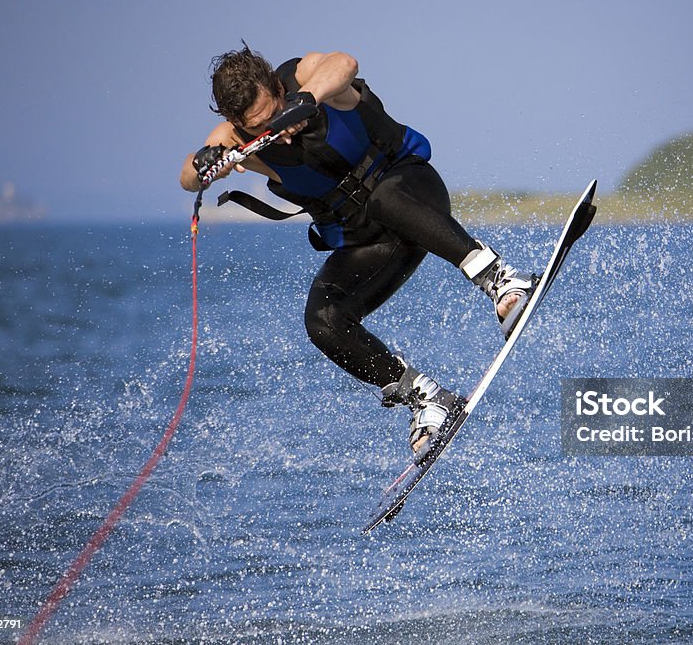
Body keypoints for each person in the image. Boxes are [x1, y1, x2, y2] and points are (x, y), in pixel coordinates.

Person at [180, 46, 535, 460]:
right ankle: (427, 400)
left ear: (278, 87)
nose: (279, 130)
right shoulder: (236, 139)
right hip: (373, 243)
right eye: (260, 126)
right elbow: (189, 174)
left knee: (381, 198)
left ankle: (500, 280)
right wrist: (208, 163)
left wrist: (305, 101)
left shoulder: (309, 77)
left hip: (411, 194)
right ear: (238, 123)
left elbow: (344, 64)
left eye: (274, 114)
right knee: (322, 319)